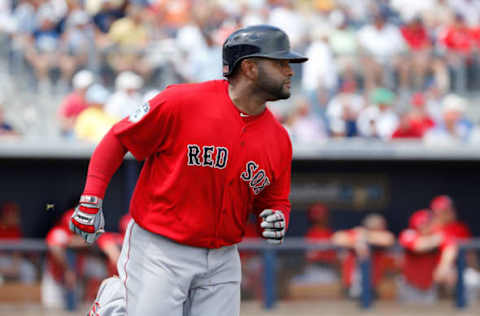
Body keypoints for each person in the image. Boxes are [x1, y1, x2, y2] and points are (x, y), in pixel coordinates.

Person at [70, 24, 307, 316]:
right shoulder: (182, 102)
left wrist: (278, 217)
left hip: (223, 258)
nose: (290, 71)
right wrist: (91, 198)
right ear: (249, 68)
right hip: (161, 248)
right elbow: (119, 139)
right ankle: (115, 306)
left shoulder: (279, 138)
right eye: (280, 63)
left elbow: (275, 200)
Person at [397, 209, 457, 304]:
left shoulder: (439, 234)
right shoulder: (408, 234)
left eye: (429, 223)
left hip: (429, 286)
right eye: (424, 223)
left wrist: (444, 266)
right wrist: (437, 239)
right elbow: (418, 246)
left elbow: (451, 247)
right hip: (410, 286)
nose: (427, 226)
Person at [331, 213, 395, 298]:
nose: (377, 228)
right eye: (374, 226)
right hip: (351, 285)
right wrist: (357, 241)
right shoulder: (356, 235)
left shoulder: (380, 237)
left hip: (371, 286)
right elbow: (337, 238)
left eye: (379, 226)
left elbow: (388, 239)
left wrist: (364, 237)